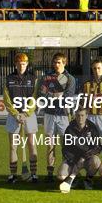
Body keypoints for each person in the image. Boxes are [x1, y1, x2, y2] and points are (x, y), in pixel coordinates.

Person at [37, 53, 76, 182]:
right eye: (55, 62)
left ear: (64, 63)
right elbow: (41, 95)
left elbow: (68, 98)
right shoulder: (46, 77)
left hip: (64, 115)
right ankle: (50, 173)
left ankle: (67, 171)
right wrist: (57, 95)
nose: (56, 65)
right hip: (49, 114)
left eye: (59, 62)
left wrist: (51, 95)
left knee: (66, 145)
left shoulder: (70, 78)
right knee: (50, 145)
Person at [3, 53, 38, 183]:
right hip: (14, 116)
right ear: (15, 64)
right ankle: (13, 175)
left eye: (23, 64)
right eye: (19, 64)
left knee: (32, 145)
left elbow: (34, 98)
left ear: (27, 64)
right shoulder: (9, 78)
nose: (21, 66)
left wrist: (26, 113)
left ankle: (34, 174)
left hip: (29, 116)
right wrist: (16, 114)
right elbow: (6, 99)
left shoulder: (33, 78)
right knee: (13, 146)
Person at [58, 108, 101, 193]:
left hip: (88, 159)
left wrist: (84, 157)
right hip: (73, 159)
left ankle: (88, 180)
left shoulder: (92, 127)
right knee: (61, 176)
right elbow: (65, 149)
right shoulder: (70, 128)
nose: (80, 118)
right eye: (78, 115)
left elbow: (97, 147)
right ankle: (76, 178)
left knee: (96, 161)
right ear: (75, 116)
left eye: (82, 115)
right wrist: (74, 161)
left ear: (86, 116)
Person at [81, 60, 102, 134]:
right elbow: (84, 104)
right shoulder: (86, 85)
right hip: (90, 116)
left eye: (99, 68)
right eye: (94, 68)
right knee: (90, 141)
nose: (97, 70)